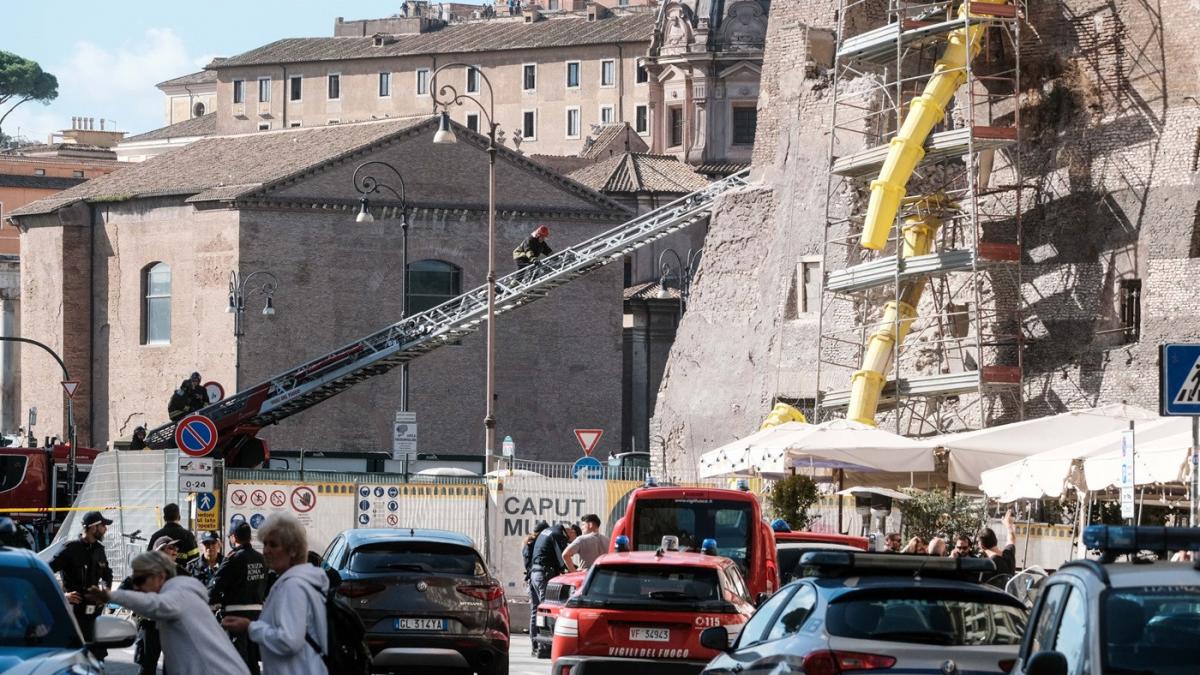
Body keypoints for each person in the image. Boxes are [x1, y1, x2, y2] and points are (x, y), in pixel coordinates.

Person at [87, 552, 250, 675]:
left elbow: (155, 605)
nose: (136, 588)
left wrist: (111, 595)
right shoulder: (180, 591)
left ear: (160, 576)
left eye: (140, 581)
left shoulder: (178, 593)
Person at [221, 513, 329, 675]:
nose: (266, 550)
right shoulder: (300, 581)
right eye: (265, 544)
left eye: (273, 545)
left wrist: (249, 627)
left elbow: (289, 640)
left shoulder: (293, 586)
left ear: (292, 550)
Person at [211, 522, 267, 675]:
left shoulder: (233, 558)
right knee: (252, 659)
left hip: (235, 616)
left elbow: (216, 585)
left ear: (234, 537)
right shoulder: (261, 558)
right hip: (257, 616)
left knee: (237, 660)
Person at [49, 510, 113, 643]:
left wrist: (106, 591)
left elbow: (107, 573)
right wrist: (63, 596)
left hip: (94, 611)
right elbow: (46, 572)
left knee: (96, 654)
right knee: (73, 650)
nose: (105, 529)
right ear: (93, 527)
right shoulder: (70, 548)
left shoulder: (99, 549)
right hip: (74, 612)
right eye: (103, 526)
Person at [527, 523, 570, 645]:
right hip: (544, 574)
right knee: (545, 611)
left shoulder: (548, 532)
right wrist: (572, 571)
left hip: (535, 574)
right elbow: (562, 559)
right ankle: (543, 645)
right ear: (570, 531)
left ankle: (535, 644)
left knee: (536, 610)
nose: (569, 542)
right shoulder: (557, 534)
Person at [978, 509, 1017, 576]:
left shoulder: (989, 564)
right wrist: (1008, 525)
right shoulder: (1008, 554)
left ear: (981, 545)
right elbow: (1011, 539)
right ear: (996, 540)